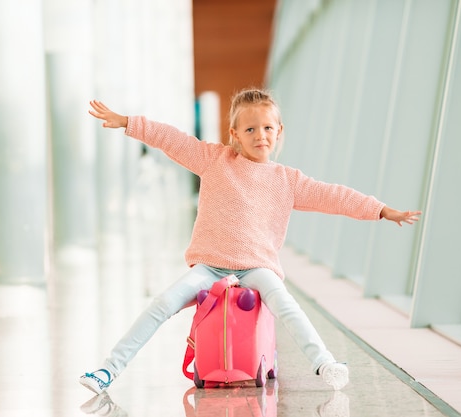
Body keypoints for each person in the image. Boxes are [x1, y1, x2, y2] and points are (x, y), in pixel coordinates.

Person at [80, 88, 421, 394]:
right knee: (162, 304)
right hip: (210, 267)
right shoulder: (214, 160)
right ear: (235, 135)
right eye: (250, 129)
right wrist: (127, 122)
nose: (261, 135)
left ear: (279, 132)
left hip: (257, 268)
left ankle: (325, 363)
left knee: (285, 304)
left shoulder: (288, 180)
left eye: (268, 128)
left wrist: (380, 210)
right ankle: (108, 371)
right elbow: (171, 139)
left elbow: (334, 196)